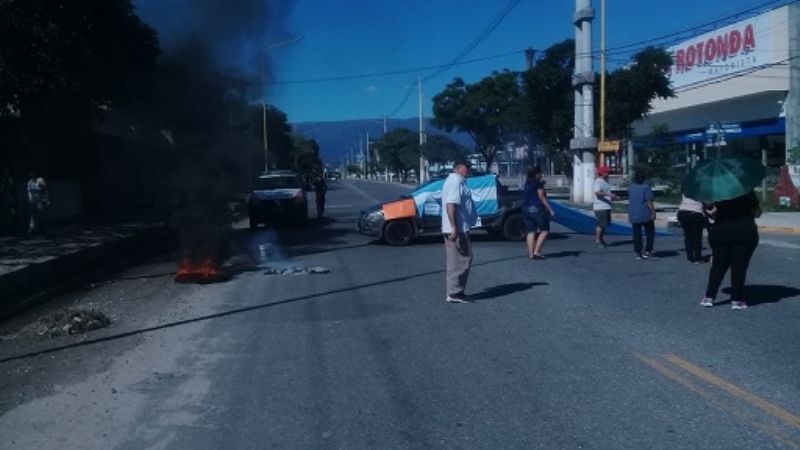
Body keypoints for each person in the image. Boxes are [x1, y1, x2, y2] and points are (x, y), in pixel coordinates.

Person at [700, 190, 761, 310]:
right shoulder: (745, 190)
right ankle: (737, 300)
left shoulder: (713, 192)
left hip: (721, 231)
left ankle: (709, 297)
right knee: (739, 267)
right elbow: (757, 213)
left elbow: (711, 215)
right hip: (744, 230)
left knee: (718, 265)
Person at [441, 159, 478, 303]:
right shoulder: (456, 181)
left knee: (458, 260)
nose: (469, 169)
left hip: (460, 227)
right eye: (466, 167)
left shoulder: (456, 181)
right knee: (460, 260)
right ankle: (455, 293)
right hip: (458, 229)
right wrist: (454, 227)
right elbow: (451, 205)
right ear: (458, 167)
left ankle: (455, 291)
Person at [522, 166, 555, 259]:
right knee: (545, 231)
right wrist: (550, 209)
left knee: (531, 231)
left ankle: (531, 254)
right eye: (540, 173)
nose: (541, 175)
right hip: (536, 208)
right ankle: (536, 251)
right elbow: (541, 197)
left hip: (526, 209)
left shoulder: (527, 184)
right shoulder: (538, 184)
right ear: (536, 174)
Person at [627, 171, 656, 259]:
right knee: (650, 232)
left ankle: (638, 252)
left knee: (637, 234)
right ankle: (648, 250)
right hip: (644, 213)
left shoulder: (631, 187)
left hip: (633, 213)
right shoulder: (646, 187)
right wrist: (653, 212)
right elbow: (648, 201)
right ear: (644, 179)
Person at [677, 195, 708, 263]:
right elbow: (706, 202)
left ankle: (690, 257)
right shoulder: (700, 191)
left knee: (688, 236)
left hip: (683, 212)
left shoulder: (686, 190)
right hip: (696, 212)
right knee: (697, 236)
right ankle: (697, 258)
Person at [593, 166, 617, 248]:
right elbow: (597, 193)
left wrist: (612, 197)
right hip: (600, 207)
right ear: (602, 173)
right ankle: (597, 241)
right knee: (600, 225)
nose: (608, 174)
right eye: (607, 172)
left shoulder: (605, 182)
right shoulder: (598, 182)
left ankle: (601, 239)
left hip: (606, 206)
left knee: (604, 225)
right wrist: (609, 195)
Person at [26, 170, 49, 236]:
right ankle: (32, 229)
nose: (32, 174)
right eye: (31, 173)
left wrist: (46, 199)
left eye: (33, 173)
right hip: (33, 201)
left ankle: (45, 230)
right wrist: (29, 199)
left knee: (42, 215)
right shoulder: (30, 181)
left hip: (40, 201)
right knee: (33, 215)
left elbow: (45, 189)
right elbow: (29, 191)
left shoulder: (40, 180)